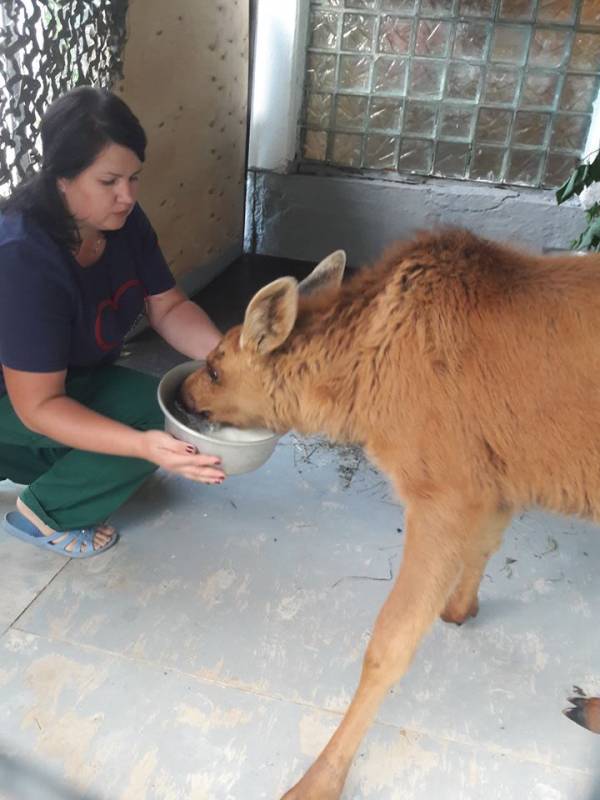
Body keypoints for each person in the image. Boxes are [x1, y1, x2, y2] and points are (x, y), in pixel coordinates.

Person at [0, 85, 226, 558]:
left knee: (168, 409)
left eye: (134, 179)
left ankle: (60, 463)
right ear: (62, 178)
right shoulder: (24, 256)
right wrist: (140, 446)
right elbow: (38, 407)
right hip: (18, 399)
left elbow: (169, 308)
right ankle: (44, 515)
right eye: (109, 182)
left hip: (66, 381)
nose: (126, 196)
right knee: (152, 427)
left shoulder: (122, 221)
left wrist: (229, 360)